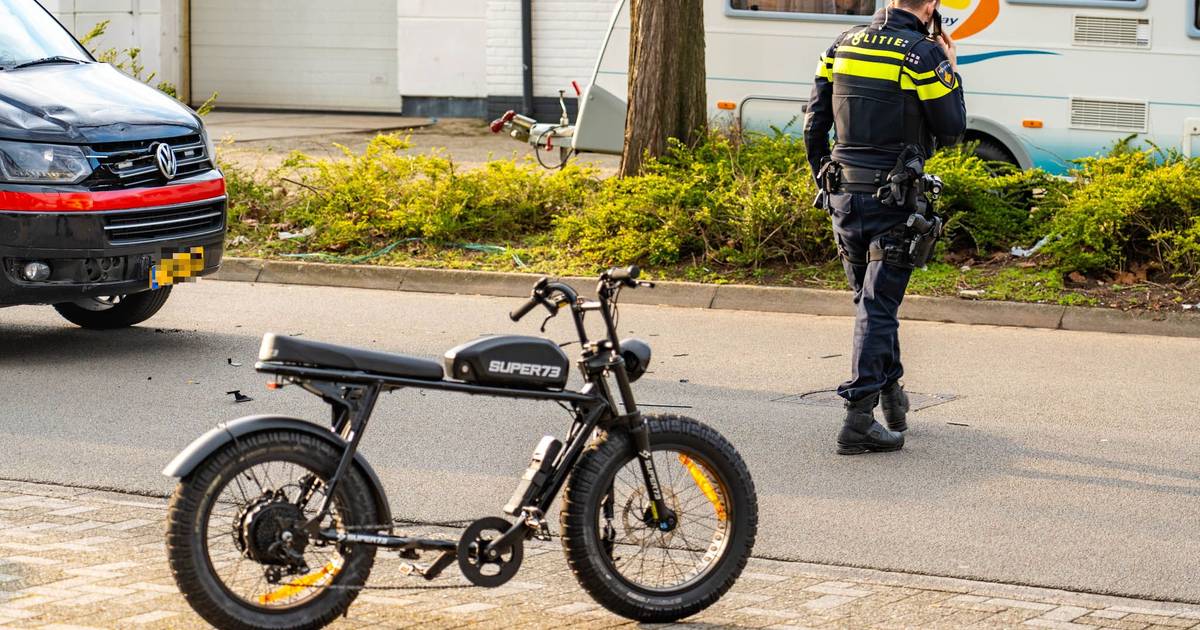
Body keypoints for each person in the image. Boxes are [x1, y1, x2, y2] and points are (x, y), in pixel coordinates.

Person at [803, 0, 966, 455]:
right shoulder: (922, 55)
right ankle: (858, 419)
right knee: (877, 306)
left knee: (870, 303)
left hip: (844, 195)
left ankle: (892, 400)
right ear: (930, 5)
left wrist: (827, 175)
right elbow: (952, 129)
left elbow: (814, 122)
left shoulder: (842, 44)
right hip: (892, 201)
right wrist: (952, 70)